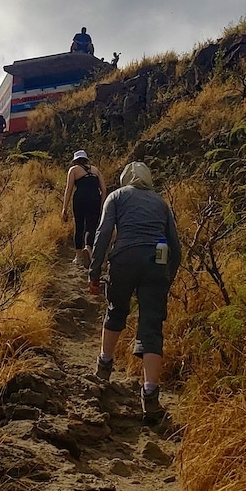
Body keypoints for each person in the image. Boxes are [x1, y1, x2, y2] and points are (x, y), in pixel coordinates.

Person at [88, 161, 181, 420]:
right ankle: (150, 394)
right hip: (156, 264)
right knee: (151, 326)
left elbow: (103, 233)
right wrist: (166, 278)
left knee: (116, 310)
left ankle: (104, 367)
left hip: (124, 260)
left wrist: (94, 272)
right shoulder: (161, 203)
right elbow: (176, 248)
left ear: (125, 178)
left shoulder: (117, 196)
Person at [61, 150, 106, 267]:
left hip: (80, 197)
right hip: (94, 197)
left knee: (79, 225)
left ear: (75, 160)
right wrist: (102, 204)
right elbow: (104, 190)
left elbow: (69, 188)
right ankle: (88, 247)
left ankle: (78, 256)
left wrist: (64, 208)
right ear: (86, 159)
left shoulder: (74, 170)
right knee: (91, 225)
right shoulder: (95, 170)